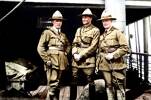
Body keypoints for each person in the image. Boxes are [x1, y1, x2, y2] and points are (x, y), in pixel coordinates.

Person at [37, 10, 71, 100]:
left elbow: (68, 45)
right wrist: (46, 59)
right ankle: (50, 97)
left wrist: (66, 52)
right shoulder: (47, 32)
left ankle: (53, 96)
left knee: (58, 81)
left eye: (60, 21)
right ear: (53, 22)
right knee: (52, 81)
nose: (58, 22)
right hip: (52, 60)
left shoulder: (63, 35)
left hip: (61, 60)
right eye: (56, 21)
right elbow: (40, 47)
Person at [96, 9, 129, 100]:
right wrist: (97, 65)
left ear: (111, 21)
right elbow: (100, 52)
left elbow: (125, 48)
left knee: (119, 85)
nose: (105, 23)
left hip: (116, 64)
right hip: (104, 65)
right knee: (108, 85)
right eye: (103, 21)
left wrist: (113, 55)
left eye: (107, 20)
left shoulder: (117, 32)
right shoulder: (102, 36)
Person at [71, 8, 100, 99]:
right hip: (76, 60)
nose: (84, 19)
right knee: (73, 80)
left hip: (88, 60)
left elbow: (94, 46)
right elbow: (74, 44)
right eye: (83, 17)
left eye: (86, 17)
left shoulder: (96, 30)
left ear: (91, 18)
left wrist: (81, 55)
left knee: (90, 81)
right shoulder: (78, 30)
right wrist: (75, 53)